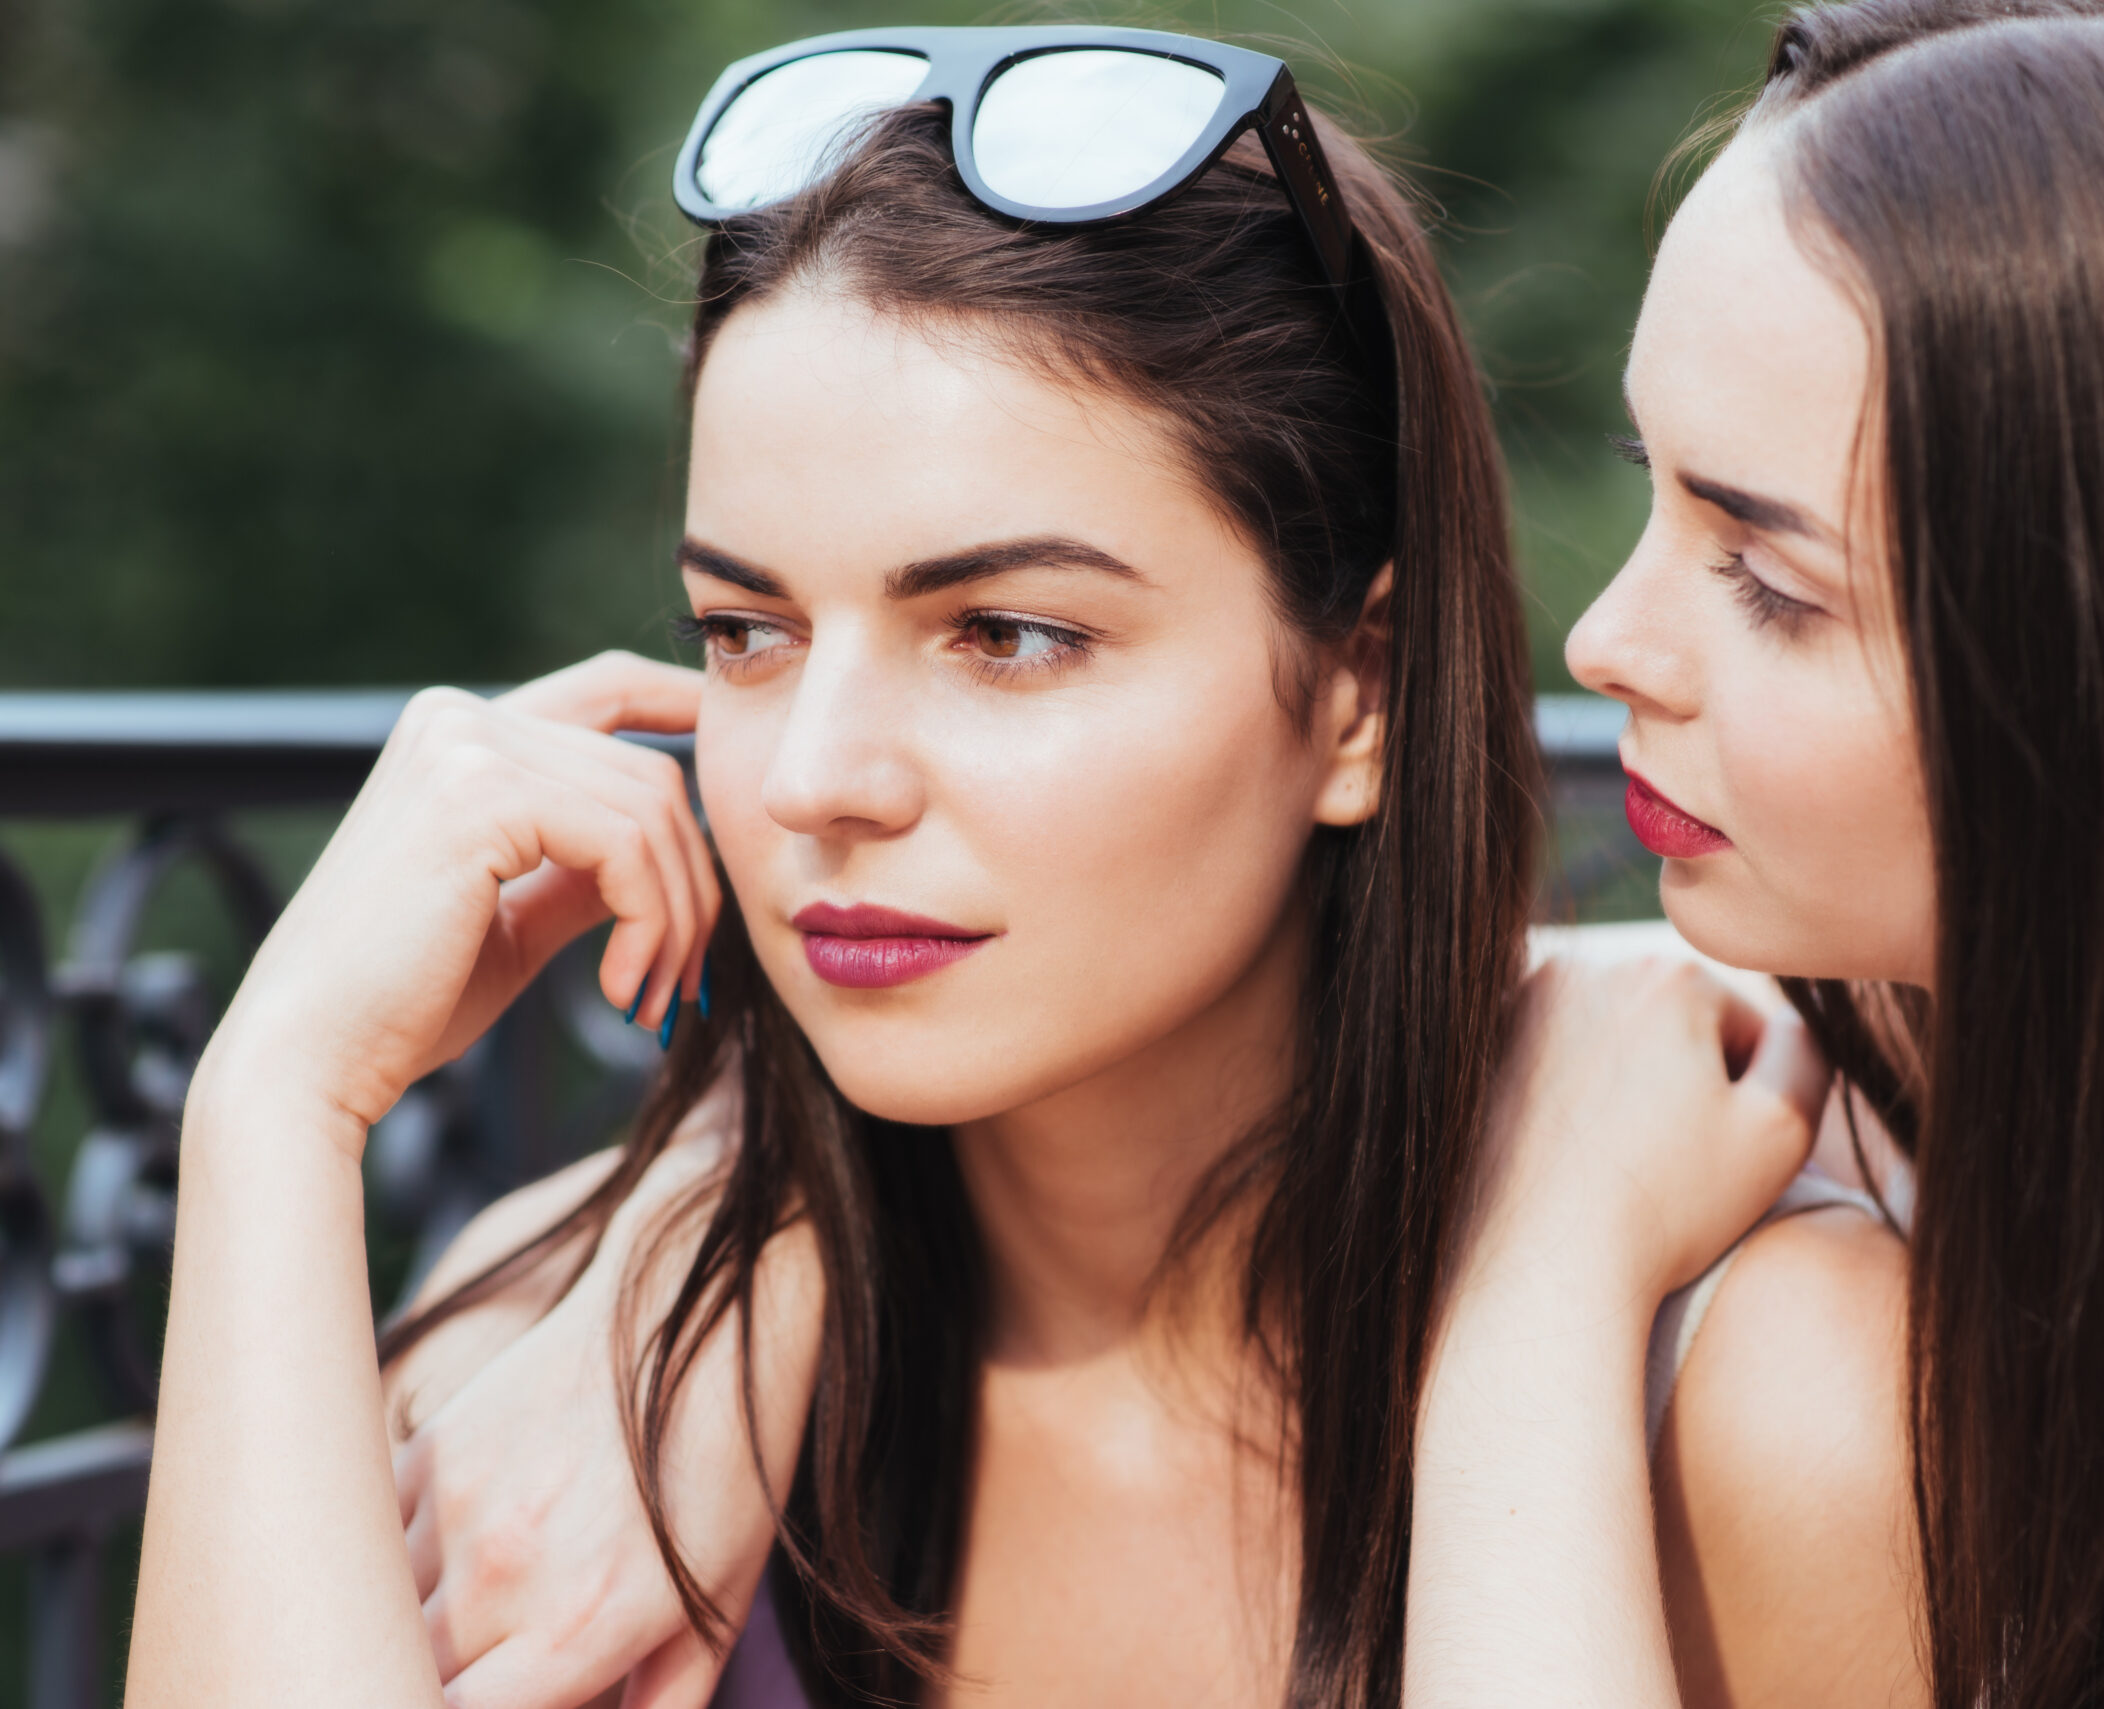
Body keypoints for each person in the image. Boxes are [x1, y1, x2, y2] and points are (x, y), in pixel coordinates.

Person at [125, 29, 1852, 1709]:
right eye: (746, 629)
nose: (815, 780)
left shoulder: (1766, 1402)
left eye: (1008, 633)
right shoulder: (552, 1336)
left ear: (1359, 698)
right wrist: (274, 1105)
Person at [1406, 2, 2104, 1707]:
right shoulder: (1744, 1070)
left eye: (1774, 584)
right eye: (1655, 488)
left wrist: (1533, 1293)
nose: (1602, 640)